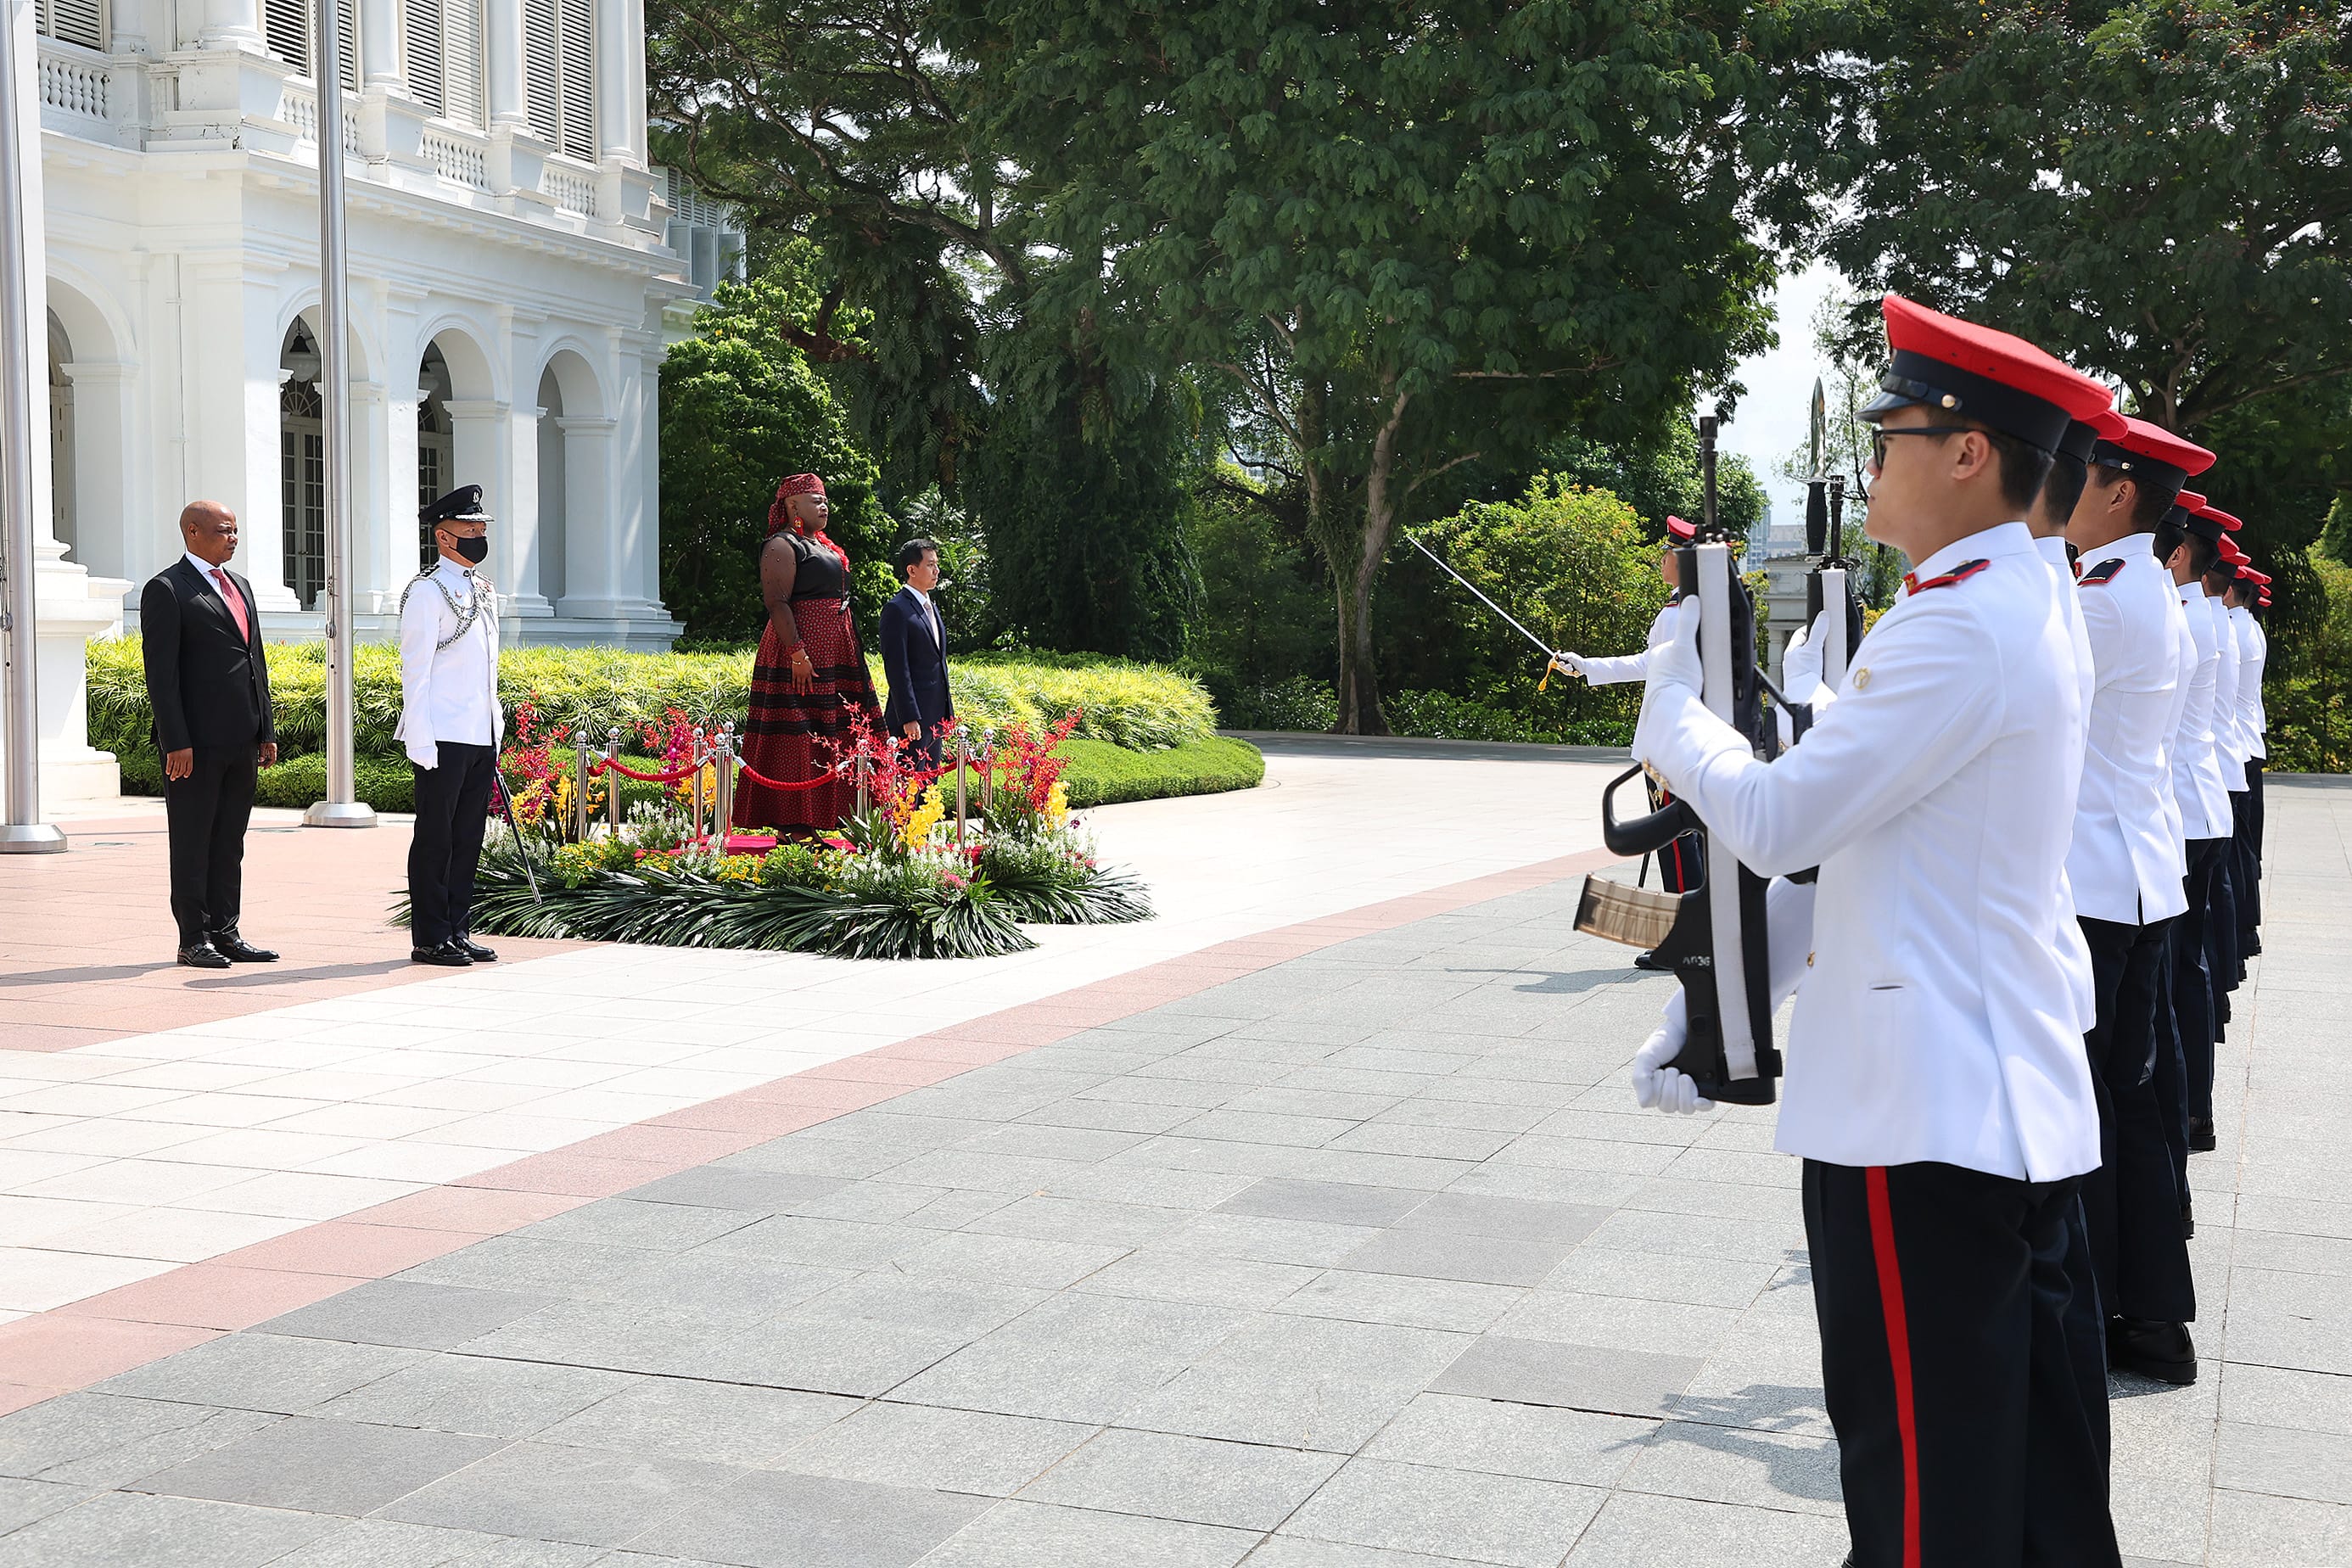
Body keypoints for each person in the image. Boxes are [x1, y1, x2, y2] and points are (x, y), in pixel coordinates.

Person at [1628, 294, 2123, 1568]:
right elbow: (1879, 851)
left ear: (1969, 452)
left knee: (1922, 1511)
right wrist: (1722, 1002)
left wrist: (1675, 714)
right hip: (1994, 1105)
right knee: (2035, 1498)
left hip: (1922, 1126)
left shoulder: (1962, 623)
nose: (1872, 457)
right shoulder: (2019, 594)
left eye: (1892, 431)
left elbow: (1787, 820)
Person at [2064, 416, 2215, 1386]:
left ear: (2120, 491)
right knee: (2138, 1105)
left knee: (2093, 1110)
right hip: (2137, 874)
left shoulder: (2101, 601)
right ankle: (2154, 1318)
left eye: (2081, 473)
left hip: (2093, 881)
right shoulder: (2139, 590)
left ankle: (2096, 1308)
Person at [139, 501, 280, 969]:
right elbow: (161, 675)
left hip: (242, 738)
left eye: (236, 531)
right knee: (193, 839)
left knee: (229, 841)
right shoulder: (167, 589)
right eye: (224, 531)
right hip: (193, 746)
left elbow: (254, 660)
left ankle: (226, 930)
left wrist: (266, 727)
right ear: (193, 532)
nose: (233, 538)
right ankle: (192, 937)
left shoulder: (239, 585)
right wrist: (175, 740)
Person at [1558, 513, 1703, 902]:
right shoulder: (1692, 608)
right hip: (1687, 742)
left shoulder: (1677, 615)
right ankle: (1697, 927)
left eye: (1666, 552)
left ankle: (1683, 932)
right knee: (1687, 838)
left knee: (1673, 839)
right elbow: (1649, 663)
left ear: (1681, 559)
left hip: (1669, 745)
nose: (1662, 559)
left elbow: (1649, 666)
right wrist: (1587, 666)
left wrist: (1587, 666)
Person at [2153, 495, 2235, 1179]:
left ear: (2179, 555)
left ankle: (2189, 1119)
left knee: (2175, 986)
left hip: (2179, 812)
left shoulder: (2181, 616)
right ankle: (2195, 1116)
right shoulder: (2202, 617)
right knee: (2189, 970)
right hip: (2195, 805)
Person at [734, 473, 885, 834]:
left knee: (835, 732)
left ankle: (833, 819)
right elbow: (777, 603)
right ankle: (794, 826)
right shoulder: (782, 545)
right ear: (791, 506)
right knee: (799, 736)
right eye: (814, 499)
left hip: (835, 653)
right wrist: (798, 654)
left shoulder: (821, 544)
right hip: (800, 652)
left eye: (824, 499)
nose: (824, 505)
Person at [398, 485, 503, 968]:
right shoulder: (426, 591)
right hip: (440, 733)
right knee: (436, 838)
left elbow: (488, 667)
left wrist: (494, 724)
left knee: (468, 838)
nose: (479, 534)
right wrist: (418, 735)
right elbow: (415, 670)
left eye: (481, 528)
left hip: (479, 731)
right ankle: (430, 937)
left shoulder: (483, 589)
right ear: (444, 537)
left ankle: (458, 930)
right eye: (469, 528)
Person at [879, 536, 955, 768]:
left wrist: (947, 713)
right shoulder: (897, 609)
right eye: (930, 565)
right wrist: (909, 717)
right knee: (908, 791)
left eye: (936, 564)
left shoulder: (931, 606)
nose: (937, 571)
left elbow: (938, 663)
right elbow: (897, 669)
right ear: (912, 570)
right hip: (911, 720)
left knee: (929, 790)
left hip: (935, 716)